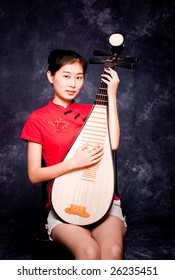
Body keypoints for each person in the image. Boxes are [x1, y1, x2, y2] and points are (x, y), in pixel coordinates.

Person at [20, 49, 126, 260]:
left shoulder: (91, 111)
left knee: (112, 252)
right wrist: (75, 163)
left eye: (79, 77)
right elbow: (34, 174)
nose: (73, 84)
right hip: (63, 205)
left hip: (103, 202)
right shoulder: (38, 118)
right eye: (66, 76)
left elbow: (113, 143)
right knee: (89, 252)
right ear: (51, 76)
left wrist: (112, 94)